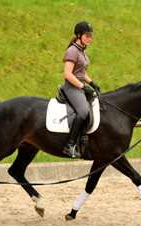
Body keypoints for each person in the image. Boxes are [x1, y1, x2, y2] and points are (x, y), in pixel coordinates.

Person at [62, 21, 101, 158]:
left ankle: (86, 142)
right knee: (83, 111)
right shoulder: (72, 51)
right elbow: (68, 74)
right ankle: (70, 145)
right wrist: (84, 87)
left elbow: (81, 72)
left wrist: (92, 83)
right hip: (72, 86)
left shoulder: (82, 50)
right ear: (78, 35)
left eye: (90, 36)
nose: (89, 39)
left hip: (80, 85)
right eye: (87, 36)